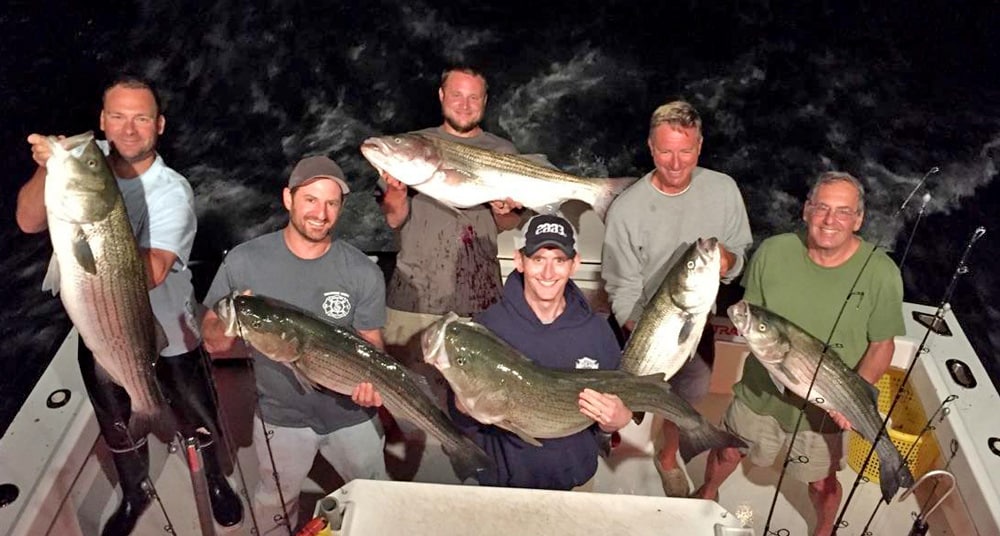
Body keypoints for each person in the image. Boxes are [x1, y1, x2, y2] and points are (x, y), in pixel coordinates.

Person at [15, 77, 243, 534]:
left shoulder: (172, 190)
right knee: (116, 424)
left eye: (141, 118)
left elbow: (155, 270)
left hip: (172, 331)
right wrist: (48, 168)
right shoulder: (87, 161)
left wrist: (101, 231)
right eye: (117, 116)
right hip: (100, 329)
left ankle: (215, 478)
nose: (129, 128)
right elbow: (27, 220)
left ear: (158, 126)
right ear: (102, 121)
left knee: (198, 418)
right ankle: (135, 489)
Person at [694, 172, 905, 536]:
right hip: (761, 390)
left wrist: (852, 396)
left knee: (822, 483)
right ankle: (707, 491)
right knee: (728, 450)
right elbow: (753, 317)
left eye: (843, 212)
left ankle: (825, 529)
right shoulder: (773, 251)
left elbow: (882, 345)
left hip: (827, 408)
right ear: (806, 210)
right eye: (821, 207)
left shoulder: (882, 273)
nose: (829, 220)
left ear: (858, 219)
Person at [201, 155, 388, 533]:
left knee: (374, 495)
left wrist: (375, 390)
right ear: (288, 198)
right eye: (310, 200)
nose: (321, 213)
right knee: (274, 499)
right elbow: (212, 343)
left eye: (331, 203)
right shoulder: (244, 261)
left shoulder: (362, 272)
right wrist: (232, 322)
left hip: (349, 414)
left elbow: (374, 347)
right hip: (280, 416)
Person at [601, 100, 753, 497]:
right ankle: (609, 436)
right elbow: (621, 286)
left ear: (699, 146)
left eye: (685, 150)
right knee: (619, 396)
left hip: (696, 319)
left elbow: (739, 251)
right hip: (642, 325)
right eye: (665, 151)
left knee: (689, 396)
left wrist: (728, 260)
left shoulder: (723, 189)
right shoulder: (627, 208)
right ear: (651, 148)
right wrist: (647, 333)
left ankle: (667, 455)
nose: (675, 161)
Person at [447, 214, 632, 490]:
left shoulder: (597, 332)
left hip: (575, 482)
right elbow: (461, 417)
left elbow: (613, 413)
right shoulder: (487, 326)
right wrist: (461, 406)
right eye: (538, 259)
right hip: (501, 483)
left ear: (575, 264)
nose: (548, 273)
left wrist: (617, 420)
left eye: (559, 260)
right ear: (519, 261)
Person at [378, 66, 524, 386]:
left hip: (480, 301)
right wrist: (397, 192)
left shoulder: (502, 151)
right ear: (442, 95)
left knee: (477, 401)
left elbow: (507, 223)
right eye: (456, 95)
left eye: (474, 97)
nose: (464, 104)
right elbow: (393, 218)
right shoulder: (413, 147)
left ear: (485, 101)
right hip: (414, 299)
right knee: (412, 401)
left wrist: (504, 209)